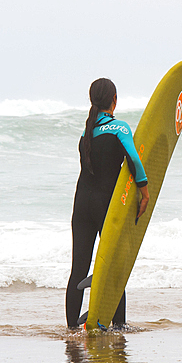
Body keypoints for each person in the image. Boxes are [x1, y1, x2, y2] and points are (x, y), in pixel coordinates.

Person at [67, 78, 150, 330]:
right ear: (114, 99)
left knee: (78, 269)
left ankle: (71, 330)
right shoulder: (119, 128)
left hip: (81, 206)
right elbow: (135, 161)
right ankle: (118, 327)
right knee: (114, 267)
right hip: (106, 206)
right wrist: (144, 193)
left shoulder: (86, 131)